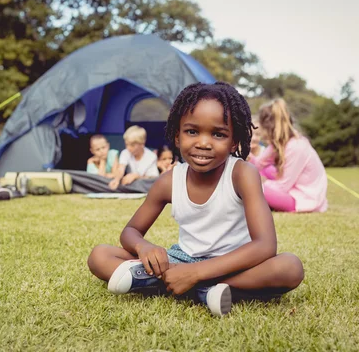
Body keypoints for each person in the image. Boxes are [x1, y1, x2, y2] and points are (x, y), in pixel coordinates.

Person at [87, 82, 304, 317]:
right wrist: (144, 247)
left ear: (234, 141)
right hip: (181, 259)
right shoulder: (169, 181)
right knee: (100, 256)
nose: (203, 142)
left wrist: (197, 273)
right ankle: (207, 290)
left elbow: (265, 245)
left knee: (290, 267)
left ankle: (184, 284)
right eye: (192, 131)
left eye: (218, 134)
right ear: (177, 136)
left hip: (234, 262)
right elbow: (130, 231)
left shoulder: (242, 174)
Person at [251, 99, 328, 213]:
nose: (260, 134)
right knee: (257, 177)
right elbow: (258, 164)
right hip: (291, 191)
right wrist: (246, 155)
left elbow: (283, 186)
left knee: (252, 187)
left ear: (266, 126)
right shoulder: (277, 144)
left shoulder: (296, 146)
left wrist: (263, 182)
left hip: (303, 199)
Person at [109, 125, 159, 190]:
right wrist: (116, 180)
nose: (128, 148)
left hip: (143, 183)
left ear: (142, 144)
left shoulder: (151, 156)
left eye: (132, 145)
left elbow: (153, 178)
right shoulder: (125, 152)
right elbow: (121, 169)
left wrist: (136, 176)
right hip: (127, 183)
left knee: (145, 183)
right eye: (126, 144)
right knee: (111, 181)